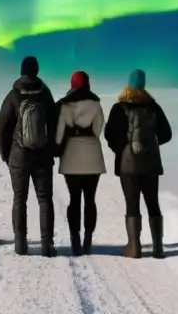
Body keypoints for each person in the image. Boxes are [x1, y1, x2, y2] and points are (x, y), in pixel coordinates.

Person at [104, 69, 172, 260]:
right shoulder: (154, 107)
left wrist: (121, 149)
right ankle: (158, 248)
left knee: (132, 205)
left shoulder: (119, 108)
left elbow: (110, 134)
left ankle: (134, 247)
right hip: (151, 164)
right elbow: (166, 134)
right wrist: (150, 144)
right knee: (153, 204)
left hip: (128, 164)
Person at [0, 55, 57, 257]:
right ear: (37, 71)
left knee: (19, 199)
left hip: (19, 155)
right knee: (44, 199)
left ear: (22, 71)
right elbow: (55, 123)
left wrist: (6, 154)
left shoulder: (13, 95)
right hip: (42, 155)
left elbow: (3, 127)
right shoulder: (45, 94)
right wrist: (52, 150)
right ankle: (47, 245)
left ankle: (20, 244)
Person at [55, 70, 106, 256]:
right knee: (90, 199)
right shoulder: (96, 104)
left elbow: (60, 133)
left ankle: (75, 239)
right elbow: (99, 128)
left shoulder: (66, 105)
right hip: (92, 155)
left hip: (71, 156)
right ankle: (88, 239)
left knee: (74, 199)